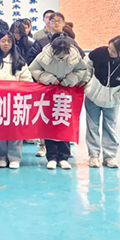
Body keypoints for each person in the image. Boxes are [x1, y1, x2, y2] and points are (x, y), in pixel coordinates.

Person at [30, 33, 87, 170]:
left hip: (66, 93)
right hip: (49, 92)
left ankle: (64, 157)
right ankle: (51, 157)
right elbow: (34, 68)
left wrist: (69, 80)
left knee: (64, 122)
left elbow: (82, 69)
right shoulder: (44, 55)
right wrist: (50, 78)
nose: (60, 57)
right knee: (49, 124)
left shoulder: (75, 55)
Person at [84, 36, 120, 168]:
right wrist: (87, 84)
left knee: (110, 127)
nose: (109, 51)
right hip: (92, 97)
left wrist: (116, 99)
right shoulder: (99, 53)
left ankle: (109, 157)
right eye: (109, 48)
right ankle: (93, 156)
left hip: (112, 102)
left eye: (113, 51)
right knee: (92, 126)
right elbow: (87, 67)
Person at [0, 31, 33, 169]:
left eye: (9, 41)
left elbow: (27, 81)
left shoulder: (19, 61)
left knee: (15, 130)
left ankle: (14, 157)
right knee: (1, 129)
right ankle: (2, 156)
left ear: (13, 43)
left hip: (15, 100)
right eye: (3, 41)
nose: (6, 44)